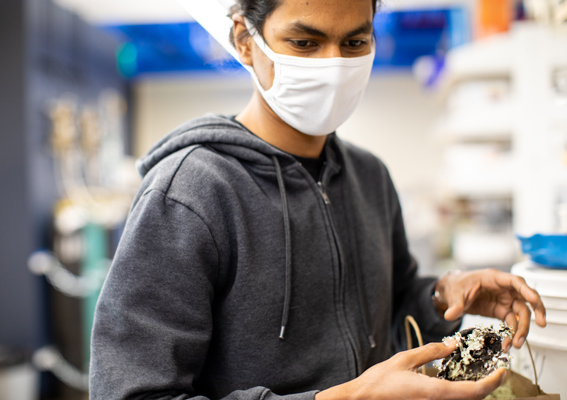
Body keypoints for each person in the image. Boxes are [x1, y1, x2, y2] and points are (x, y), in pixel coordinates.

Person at [90, 0, 547, 399]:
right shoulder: (191, 194)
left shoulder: (369, 177)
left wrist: (441, 297)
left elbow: (388, 311)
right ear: (244, 39)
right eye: (306, 43)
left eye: (353, 44)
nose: (333, 66)